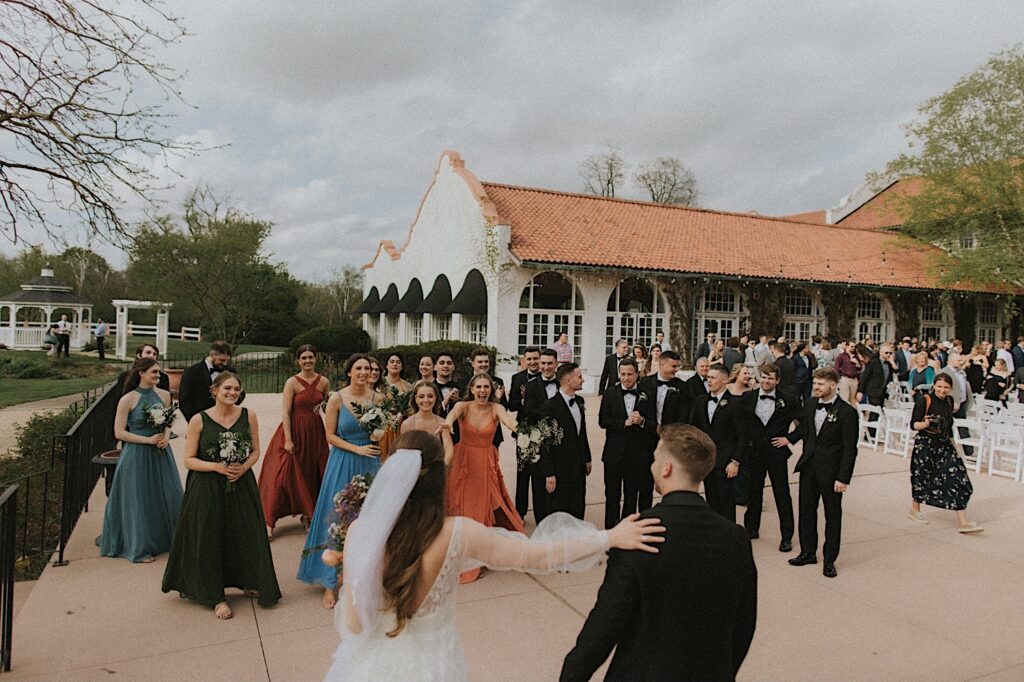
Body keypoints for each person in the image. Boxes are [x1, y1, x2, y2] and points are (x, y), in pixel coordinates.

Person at [325, 431, 664, 681]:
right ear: (439, 476)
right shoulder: (457, 532)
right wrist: (609, 537)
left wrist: (353, 579)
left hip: (367, 667)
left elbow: (354, 624)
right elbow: (537, 556)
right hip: (432, 667)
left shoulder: (359, 533)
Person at [560, 424, 757, 681]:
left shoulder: (637, 533)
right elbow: (744, 624)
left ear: (667, 468)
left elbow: (604, 626)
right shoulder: (736, 539)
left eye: (655, 458)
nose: (652, 465)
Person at [161, 372, 281, 619]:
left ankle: (248, 580)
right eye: (227, 388)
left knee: (245, 534)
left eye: (237, 389)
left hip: (241, 483)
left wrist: (243, 468)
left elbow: (256, 450)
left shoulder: (249, 416)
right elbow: (189, 460)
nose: (232, 393)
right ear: (214, 390)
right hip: (207, 486)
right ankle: (216, 596)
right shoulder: (199, 420)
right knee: (211, 537)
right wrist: (216, 467)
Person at [298, 354, 382, 608]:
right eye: (359, 368)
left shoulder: (379, 398)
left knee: (368, 520)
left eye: (367, 368)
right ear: (349, 372)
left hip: (371, 462)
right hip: (345, 460)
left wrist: (379, 435)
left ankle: (365, 577)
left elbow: (383, 430)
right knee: (337, 518)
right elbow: (330, 436)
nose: (364, 372)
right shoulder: (336, 398)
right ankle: (330, 583)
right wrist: (357, 450)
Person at [440, 373, 523, 582]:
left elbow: (509, 422)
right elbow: (451, 416)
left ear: (491, 390)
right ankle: (459, 551)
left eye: (487, 387)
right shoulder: (463, 406)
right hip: (463, 461)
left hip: (485, 462)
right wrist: (448, 424)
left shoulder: (497, 408)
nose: (483, 390)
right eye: (479, 387)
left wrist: (524, 432)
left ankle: (477, 554)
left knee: (482, 508)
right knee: (460, 507)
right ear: (472, 388)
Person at [99, 358, 182, 563]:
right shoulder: (128, 399)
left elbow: (168, 421)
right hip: (137, 453)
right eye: (153, 372)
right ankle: (139, 547)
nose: (158, 376)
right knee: (138, 498)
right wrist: (146, 440)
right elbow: (119, 432)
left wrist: (165, 435)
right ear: (141, 374)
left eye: (158, 372)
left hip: (161, 453)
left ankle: (168, 540)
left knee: (166, 495)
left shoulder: (163, 395)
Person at [783, 368, 858, 578]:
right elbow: (806, 428)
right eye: (815, 383)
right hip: (809, 467)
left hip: (832, 472)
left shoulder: (847, 413)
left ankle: (830, 559)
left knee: (832, 515)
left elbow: (850, 448)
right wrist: (789, 439)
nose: (816, 387)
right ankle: (808, 552)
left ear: (832, 386)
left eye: (820, 384)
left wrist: (843, 477)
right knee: (806, 511)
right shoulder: (810, 404)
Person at [258, 345, 330, 539]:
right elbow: (286, 412)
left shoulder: (323, 382)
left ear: (316, 359)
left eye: (310, 357)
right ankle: (269, 521)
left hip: (315, 431)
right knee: (282, 475)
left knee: (312, 472)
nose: (307, 361)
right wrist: (288, 439)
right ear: (298, 361)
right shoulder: (292, 382)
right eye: (304, 358)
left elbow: (327, 409)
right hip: (294, 430)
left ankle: (308, 515)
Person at [906, 373, 983, 534]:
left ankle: (963, 522)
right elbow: (913, 424)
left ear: (951, 388)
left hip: (944, 445)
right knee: (922, 476)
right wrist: (925, 423)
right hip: (925, 445)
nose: (942, 390)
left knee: (958, 478)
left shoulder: (949, 401)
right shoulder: (924, 400)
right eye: (939, 386)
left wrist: (955, 450)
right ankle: (915, 509)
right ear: (934, 385)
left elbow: (949, 428)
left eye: (946, 387)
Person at [741, 363, 796, 550]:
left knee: (782, 493)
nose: (766, 381)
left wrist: (789, 438)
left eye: (770, 378)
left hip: (776, 453)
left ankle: (786, 536)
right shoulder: (747, 397)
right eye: (763, 377)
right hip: (754, 452)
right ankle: (751, 529)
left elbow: (804, 422)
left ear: (777, 380)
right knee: (753, 492)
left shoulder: (788, 399)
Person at [599, 357, 656, 529]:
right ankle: (611, 531)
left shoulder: (647, 394)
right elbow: (603, 421)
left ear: (637, 374)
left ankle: (628, 530)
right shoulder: (610, 393)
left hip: (637, 455)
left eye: (629, 374)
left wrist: (642, 421)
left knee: (631, 495)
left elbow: (654, 423)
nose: (626, 378)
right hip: (614, 454)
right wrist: (623, 423)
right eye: (622, 374)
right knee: (612, 495)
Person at [689, 364, 747, 521]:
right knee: (711, 500)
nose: (709, 381)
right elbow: (694, 430)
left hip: (726, 462)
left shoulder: (735, 404)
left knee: (726, 502)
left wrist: (735, 461)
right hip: (707, 461)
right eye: (708, 377)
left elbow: (742, 436)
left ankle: (728, 538)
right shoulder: (700, 401)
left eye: (713, 378)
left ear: (724, 380)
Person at [536, 363, 592, 520]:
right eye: (579, 377)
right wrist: (549, 473)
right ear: (567, 380)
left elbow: (582, 433)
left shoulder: (580, 401)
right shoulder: (549, 406)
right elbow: (544, 442)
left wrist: (587, 458)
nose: (583, 380)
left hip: (578, 468)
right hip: (560, 471)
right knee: (559, 513)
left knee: (578, 510)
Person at [521, 348, 561, 522]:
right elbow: (530, 413)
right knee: (539, 487)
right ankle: (541, 524)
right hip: (539, 442)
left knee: (558, 488)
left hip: (561, 444)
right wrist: (554, 416)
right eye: (543, 363)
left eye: (549, 363)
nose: (545, 367)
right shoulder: (531, 386)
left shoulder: (563, 383)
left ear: (556, 364)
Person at [509, 346, 541, 519]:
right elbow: (511, 405)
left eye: (535, 358)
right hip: (524, 432)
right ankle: (519, 512)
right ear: (524, 360)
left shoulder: (549, 378)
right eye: (529, 359)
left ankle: (541, 513)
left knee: (541, 475)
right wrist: (524, 399)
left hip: (544, 432)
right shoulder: (517, 378)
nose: (533, 362)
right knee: (523, 473)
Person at [178, 341, 245, 422]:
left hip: (226, 422)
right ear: (213, 354)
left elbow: (239, 396)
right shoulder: (192, 372)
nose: (225, 364)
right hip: (200, 422)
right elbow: (185, 402)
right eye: (222, 360)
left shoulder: (230, 371)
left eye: (227, 361)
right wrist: (197, 421)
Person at [398, 380, 453, 462]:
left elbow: (448, 449)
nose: (426, 400)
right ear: (416, 399)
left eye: (430, 396)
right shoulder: (407, 424)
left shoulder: (442, 423)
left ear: (436, 398)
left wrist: (443, 466)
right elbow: (402, 451)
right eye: (421, 396)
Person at [638, 350, 688, 430]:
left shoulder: (682, 386)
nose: (677, 369)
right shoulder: (645, 383)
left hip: (670, 434)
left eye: (678, 366)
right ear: (662, 365)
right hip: (647, 433)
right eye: (674, 366)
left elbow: (683, 413)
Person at [856, 343, 890, 410]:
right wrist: (860, 391)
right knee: (874, 411)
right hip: (873, 391)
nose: (888, 355)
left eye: (890, 353)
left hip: (883, 391)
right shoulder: (873, 362)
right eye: (886, 353)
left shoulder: (889, 364)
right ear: (881, 352)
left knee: (880, 411)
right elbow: (865, 376)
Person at [432, 351, 463, 421]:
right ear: (435, 367)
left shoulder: (462, 388)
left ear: (453, 367)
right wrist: (444, 403)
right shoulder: (429, 388)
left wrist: (458, 402)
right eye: (442, 363)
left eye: (449, 363)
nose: (446, 366)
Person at [834, 341, 860, 405]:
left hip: (854, 379)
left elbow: (860, 368)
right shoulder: (841, 356)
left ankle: (853, 413)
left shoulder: (856, 356)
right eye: (852, 346)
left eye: (854, 347)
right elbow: (836, 367)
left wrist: (857, 363)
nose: (853, 348)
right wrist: (839, 378)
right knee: (844, 398)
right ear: (847, 346)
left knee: (853, 399)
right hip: (845, 378)